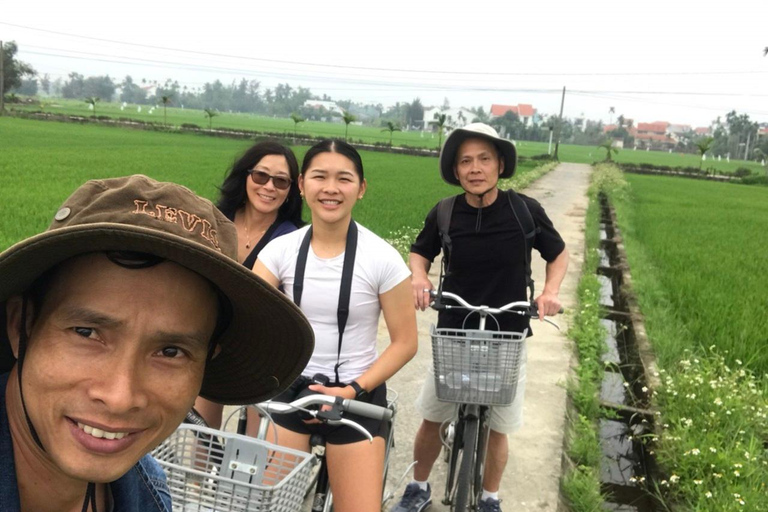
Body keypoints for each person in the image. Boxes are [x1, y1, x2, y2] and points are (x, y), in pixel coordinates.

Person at [0, 174, 314, 512]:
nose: (120, 398)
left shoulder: (149, 492)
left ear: (206, 363)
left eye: (170, 352)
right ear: (22, 327)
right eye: (86, 333)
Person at [390, 123, 569, 512]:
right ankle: (418, 487)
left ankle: (489, 497)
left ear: (500, 165)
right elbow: (420, 253)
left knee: (500, 429)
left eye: (484, 159)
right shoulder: (445, 212)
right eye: (465, 161)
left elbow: (557, 254)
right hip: (453, 331)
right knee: (432, 417)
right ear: (456, 171)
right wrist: (418, 277)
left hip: (509, 334)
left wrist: (550, 292)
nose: (475, 168)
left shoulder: (525, 211)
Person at [252, 139, 418, 512]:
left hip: (358, 396)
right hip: (293, 389)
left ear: (360, 188)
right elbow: (250, 315)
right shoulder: (280, 250)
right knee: (269, 505)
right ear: (301, 184)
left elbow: (406, 342)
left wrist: (354, 389)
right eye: (319, 177)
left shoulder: (383, 259)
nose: (330, 188)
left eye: (343, 179)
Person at [194, 140, 304, 433]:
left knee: (254, 442)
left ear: (291, 189)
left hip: (261, 349)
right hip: (210, 336)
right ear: (245, 175)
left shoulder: (290, 238)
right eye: (261, 176)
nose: (269, 187)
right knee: (201, 432)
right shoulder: (215, 221)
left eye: (281, 181)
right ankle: (198, 482)